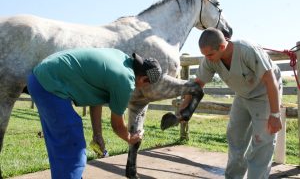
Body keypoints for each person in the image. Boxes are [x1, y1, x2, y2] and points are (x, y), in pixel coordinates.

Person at [26, 47, 162, 179]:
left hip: (40, 79)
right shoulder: (125, 80)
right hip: (49, 84)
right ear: (144, 79)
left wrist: (97, 134)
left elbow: (96, 98)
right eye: (146, 84)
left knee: (63, 148)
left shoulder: (121, 58)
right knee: (73, 146)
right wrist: (130, 138)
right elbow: (117, 126)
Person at [179, 28, 282, 179]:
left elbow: (270, 79)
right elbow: (198, 82)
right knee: (235, 136)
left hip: (265, 94)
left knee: (262, 142)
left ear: (222, 46)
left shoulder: (247, 50)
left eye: (209, 54)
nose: (207, 58)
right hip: (243, 95)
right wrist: (184, 105)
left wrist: (275, 114)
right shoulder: (210, 59)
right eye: (204, 55)